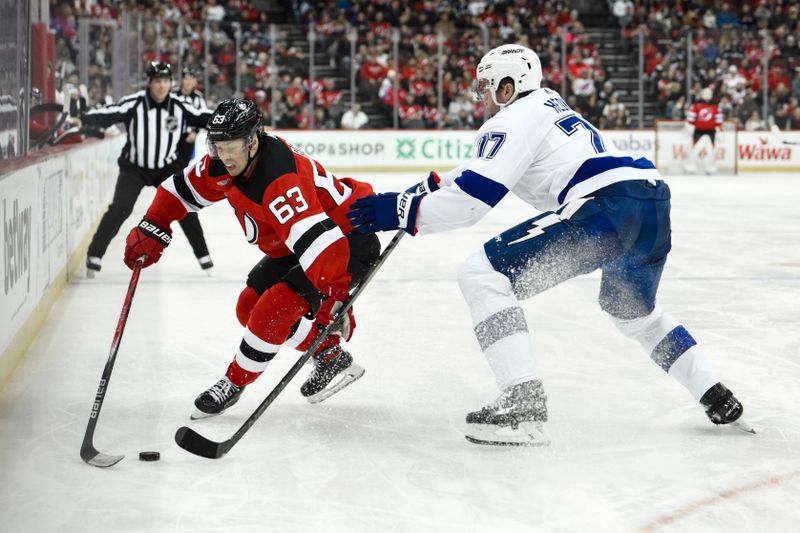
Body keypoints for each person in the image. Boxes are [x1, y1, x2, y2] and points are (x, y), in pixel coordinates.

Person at [347, 44, 750, 446]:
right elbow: (466, 177)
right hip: (650, 204)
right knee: (634, 314)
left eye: (487, 86)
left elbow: (470, 203)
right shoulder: (546, 106)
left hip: (605, 208)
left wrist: (394, 212)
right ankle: (714, 393)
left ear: (509, 87)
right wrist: (414, 194)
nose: (481, 96)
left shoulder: (514, 118)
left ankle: (524, 405)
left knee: (484, 274)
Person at [123, 98, 381, 416]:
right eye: (217, 145)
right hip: (297, 244)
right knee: (248, 307)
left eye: (231, 146)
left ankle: (233, 383)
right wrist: (154, 224)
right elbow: (179, 191)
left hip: (345, 241)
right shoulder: (224, 163)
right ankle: (330, 355)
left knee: (275, 307)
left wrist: (335, 295)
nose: (224, 155)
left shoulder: (279, 179)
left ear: (252, 140)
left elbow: (320, 243)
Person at [72, 61, 215, 277]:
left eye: (166, 81)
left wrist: (238, 127)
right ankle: (95, 255)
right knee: (120, 208)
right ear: (149, 83)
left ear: (170, 83)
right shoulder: (135, 103)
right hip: (135, 168)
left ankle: (203, 256)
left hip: (166, 166)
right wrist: (81, 119)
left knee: (184, 208)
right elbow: (110, 112)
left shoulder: (180, 105)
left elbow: (206, 117)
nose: (161, 86)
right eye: (157, 81)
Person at [172, 66, 209, 168]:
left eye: (191, 79)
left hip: (188, 137)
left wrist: (195, 132)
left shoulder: (198, 97)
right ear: (182, 80)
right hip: (171, 135)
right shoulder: (173, 95)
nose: (188, 81)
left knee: (183, 165)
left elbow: (203, 117)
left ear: (195, 82)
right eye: (186, 78)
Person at [685, 87, 723, 174]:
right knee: (694, 149)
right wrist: (689, 128)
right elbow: (690, 119)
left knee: (711, 150)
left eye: (708, 94)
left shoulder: (715, 106)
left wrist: (719, 129)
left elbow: (719, 121)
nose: (707, 96)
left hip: (711, 131)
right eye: (705, 94)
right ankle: (691, 167)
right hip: (698, 130)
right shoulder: (696, 106)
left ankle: (710, 168)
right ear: (702, 95)